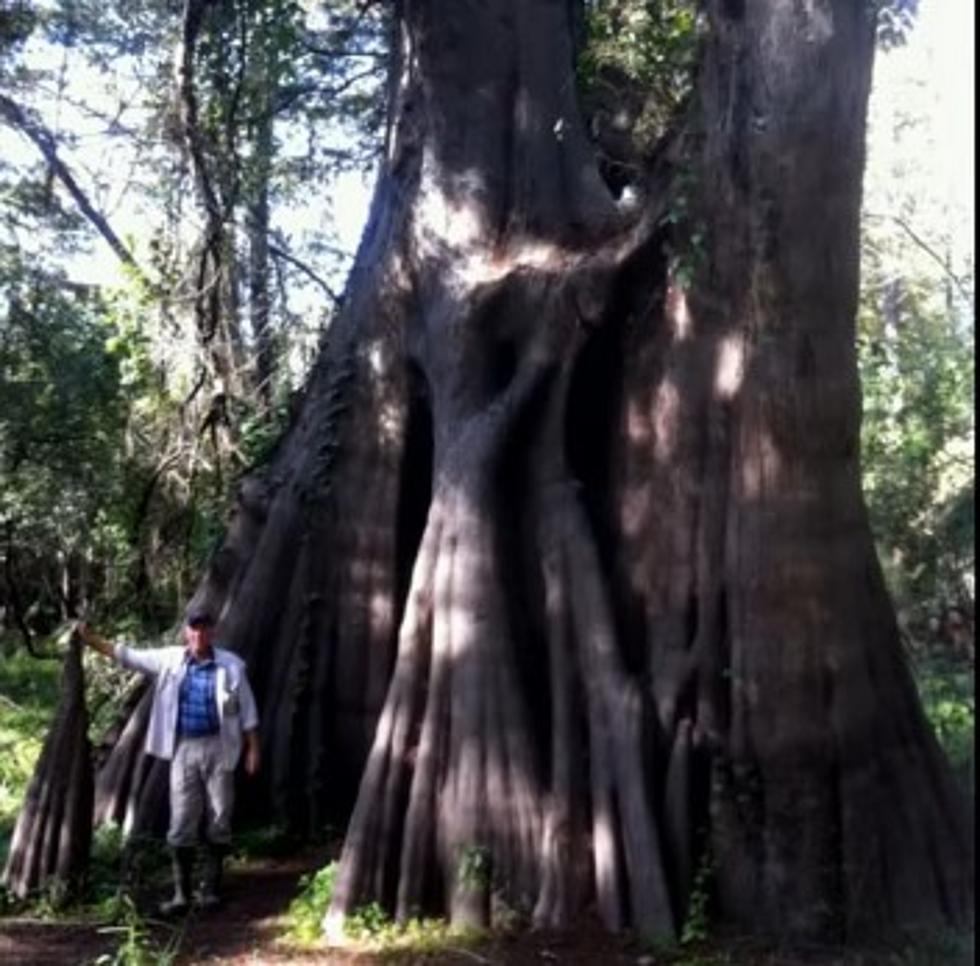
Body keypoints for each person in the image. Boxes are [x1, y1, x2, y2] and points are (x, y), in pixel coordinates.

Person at [76, 609, 260, 914]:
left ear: (212, 632)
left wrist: (254, 748)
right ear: (187, 633)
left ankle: (211, 891)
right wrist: (90, 639)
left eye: (204, 629)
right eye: (194, 630)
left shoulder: (231, 666)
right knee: (183, 816)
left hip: (220, 747)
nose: (199, 635)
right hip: (184, 748)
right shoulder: (170, 661)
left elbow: (248, 711)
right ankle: (181, 895)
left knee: (220, 814)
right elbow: (128, 655)